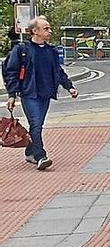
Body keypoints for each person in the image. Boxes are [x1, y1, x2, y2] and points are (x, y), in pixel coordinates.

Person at [3, 16, 79, 170]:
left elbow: (58, 71)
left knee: (37, 125)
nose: (49, 31)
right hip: (29, 93)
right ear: (34, 31)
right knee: (36, 124)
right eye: (46, 28)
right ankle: (40, 156)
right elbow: (10, 71)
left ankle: (30, 152)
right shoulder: (22, 50)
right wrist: (11, 94)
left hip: (45, 93)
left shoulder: (51, 51)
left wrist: (69, 86)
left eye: (49, 28)